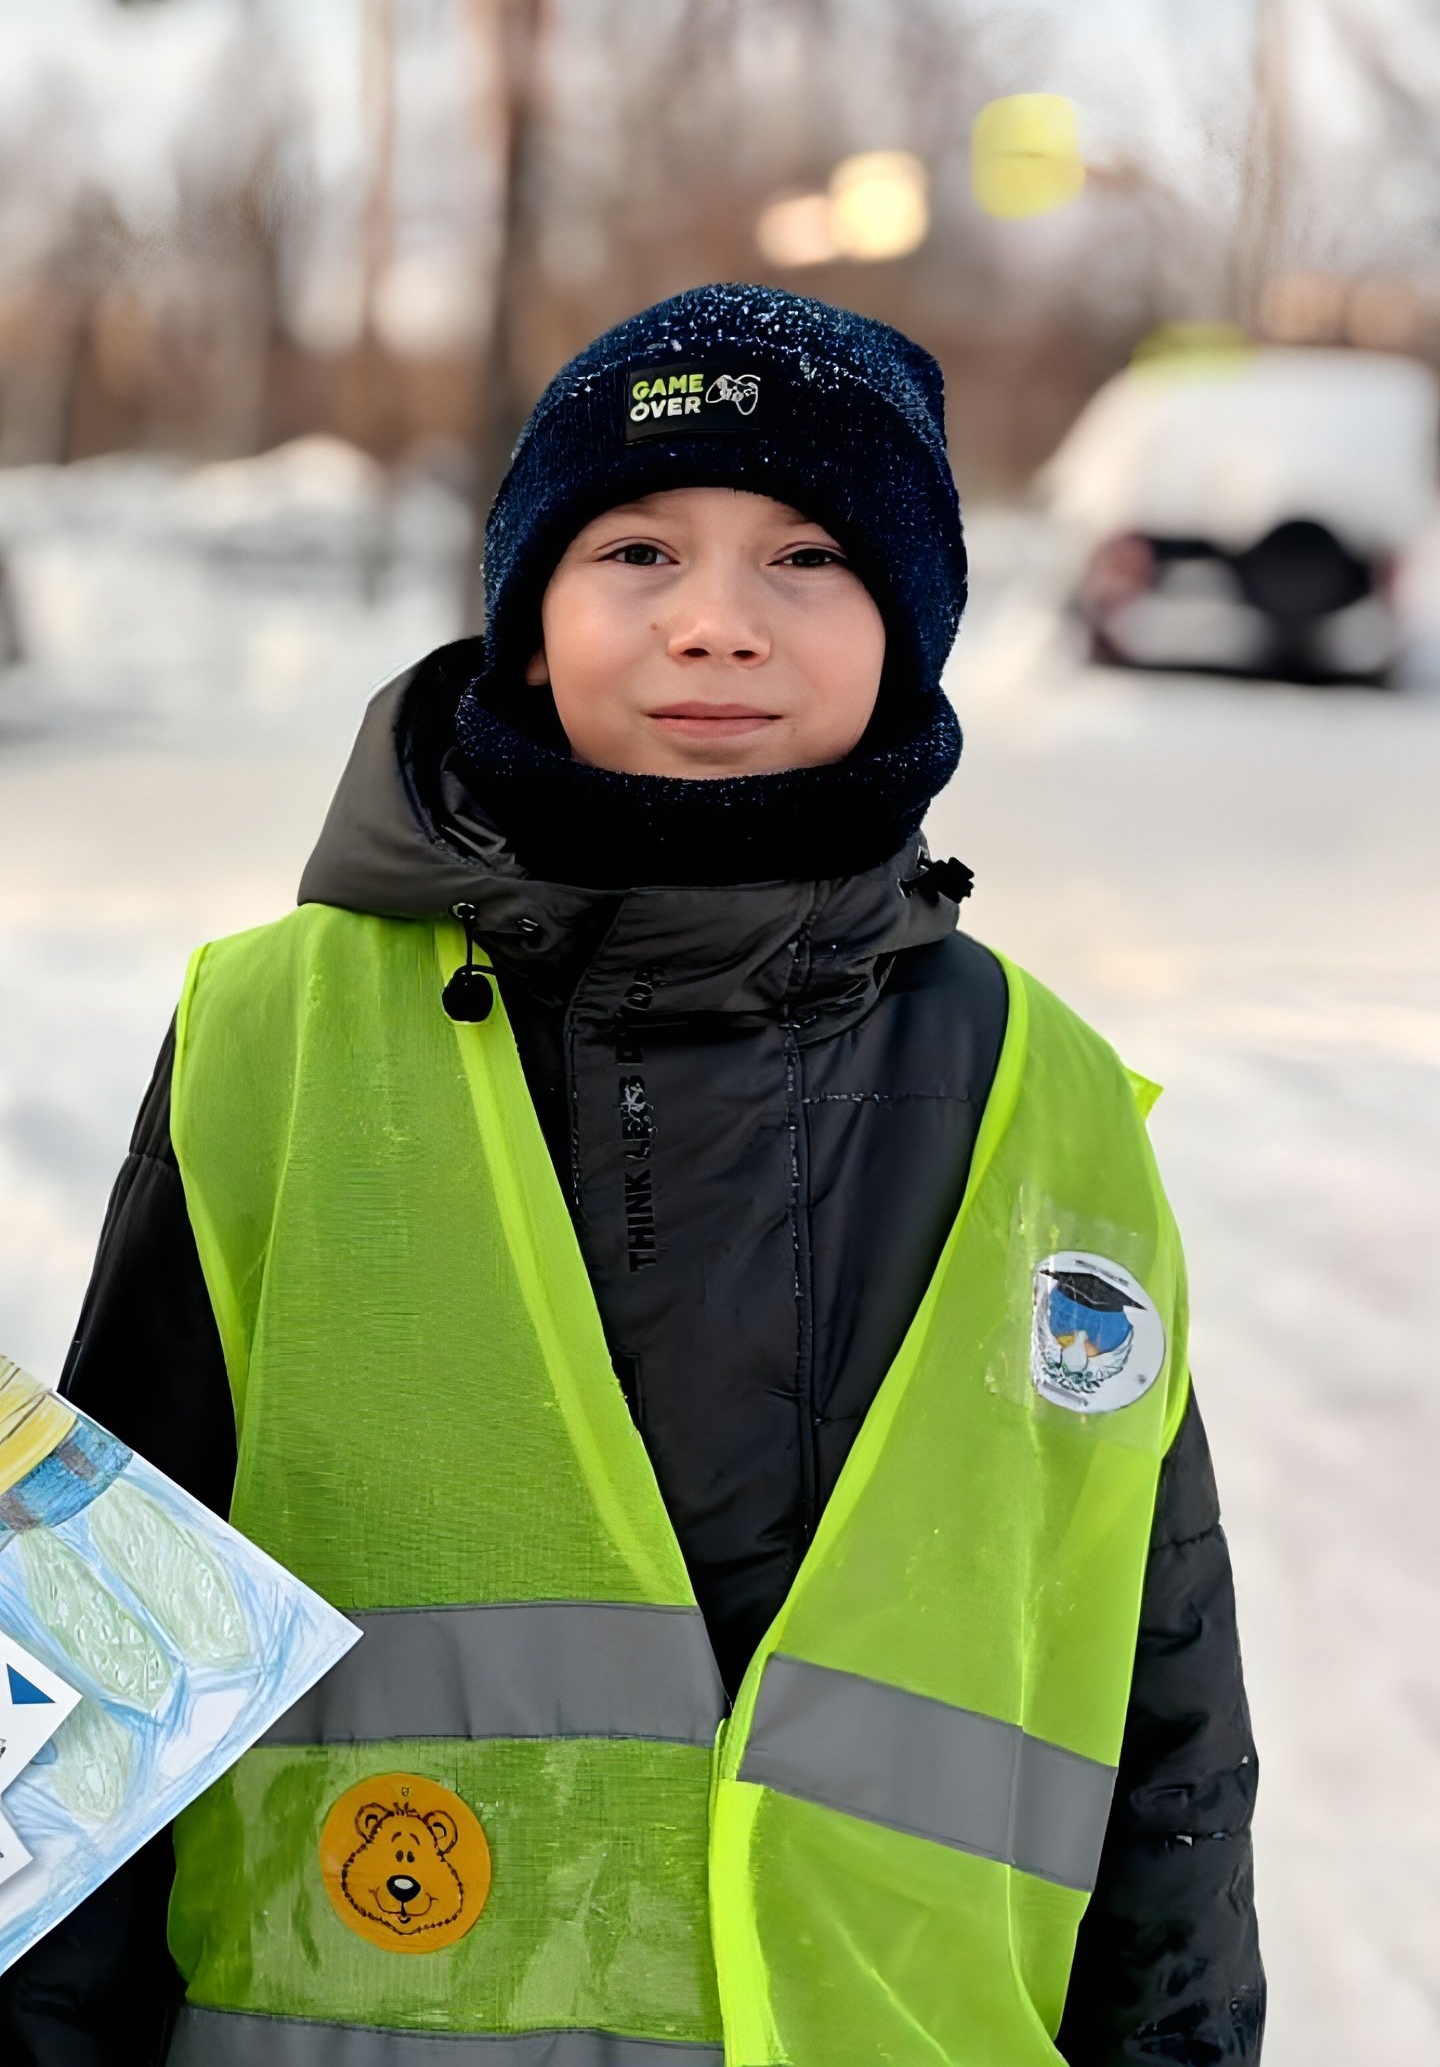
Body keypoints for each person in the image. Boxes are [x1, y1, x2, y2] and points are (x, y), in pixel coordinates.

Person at [2, 285, 1264, 2066]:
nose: (718, 626)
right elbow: (101, 1667)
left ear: (913, 632)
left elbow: (1163, 1716)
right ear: (529, 626)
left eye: (811, 558)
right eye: (642, 549)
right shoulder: (273, 1041)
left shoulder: (1038, 1092)